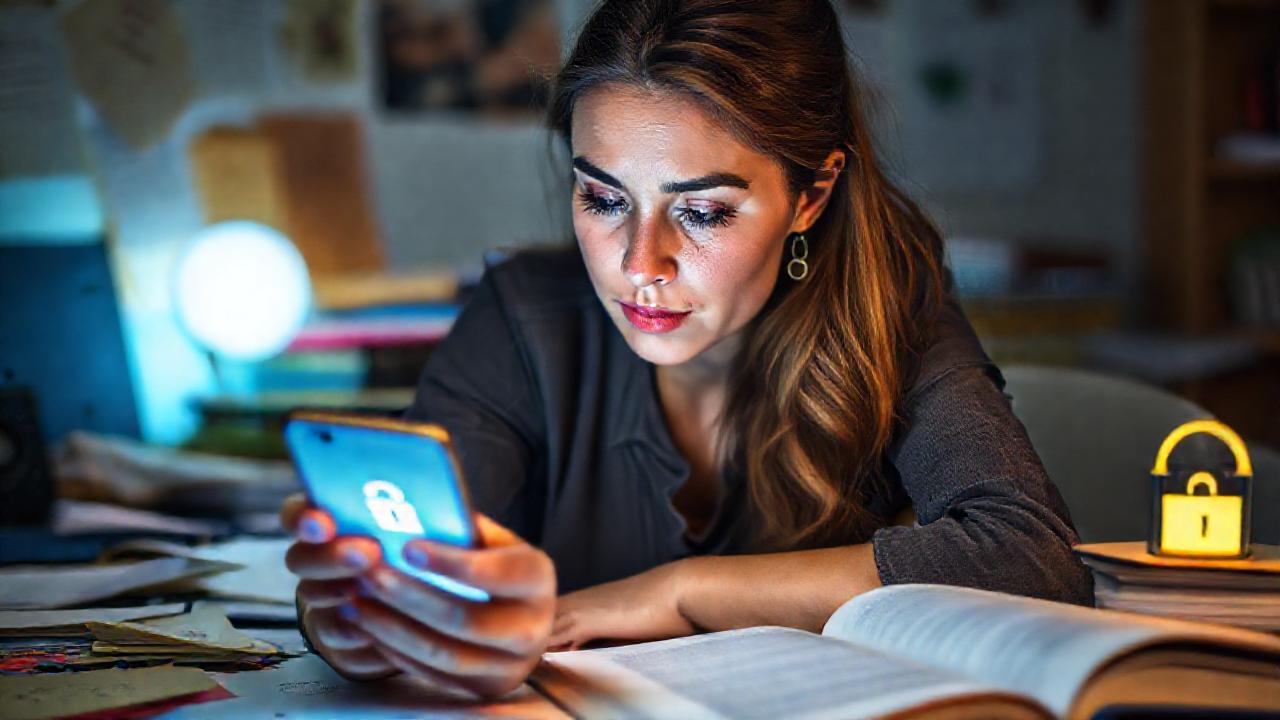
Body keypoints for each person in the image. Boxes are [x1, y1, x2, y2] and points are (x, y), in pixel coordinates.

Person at [282, 0, 1094, 699]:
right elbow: (412, 558)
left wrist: (674, 593)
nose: (639, 265)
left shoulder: (893, 309)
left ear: (810, 196)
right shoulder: (524, 318)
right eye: (603, 197)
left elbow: (1029, 556)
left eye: (702, 213)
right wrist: (350, 618)